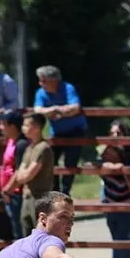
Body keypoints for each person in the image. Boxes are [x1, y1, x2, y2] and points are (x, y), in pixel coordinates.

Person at [33, 65, 88, 196]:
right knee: (50, 161)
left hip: (76, 130)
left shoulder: (68, 88)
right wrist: (54, 110)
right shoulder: (41, 92)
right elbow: (37, 110)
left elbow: (75, 107)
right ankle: (55, 193)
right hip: (56, 132)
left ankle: (66, 192)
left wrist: (57, 111)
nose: (40, 83)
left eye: (43, 80)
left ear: (54, 80)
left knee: (70, 163)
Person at [6, 113, 54, 237]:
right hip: (27, 196)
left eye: (27, 125)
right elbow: (20, 172)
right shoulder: (29, 148)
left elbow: (27, 175)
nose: (23, 128)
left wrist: (22, 175)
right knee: (26, 235)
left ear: (37, 128)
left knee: (40, 236)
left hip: (39, 198)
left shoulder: (43, 148)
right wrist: (22, 175)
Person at [0, 110, 29, 241]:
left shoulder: (21, 144)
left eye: (3, 124)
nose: (0, 127)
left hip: (16, 194)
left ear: (12, 126)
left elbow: (19, 170)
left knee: (20, 232)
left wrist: (7, 190)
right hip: (11, 194)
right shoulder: (11, 141)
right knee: (15, 231)